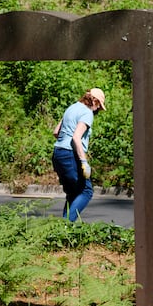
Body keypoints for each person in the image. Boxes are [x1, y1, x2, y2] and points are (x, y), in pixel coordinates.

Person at [52, 88, 106, 222]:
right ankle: (65, 226)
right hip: (70, 154)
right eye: (98, 105)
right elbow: (76, 137)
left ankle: (64, 229)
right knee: (86, 192)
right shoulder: (87, 113)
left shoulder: (71, 108)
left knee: (73, 193)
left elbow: (56, 132)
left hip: (58, 153)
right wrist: (83, 161)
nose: (97, 109)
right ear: (94, 100)